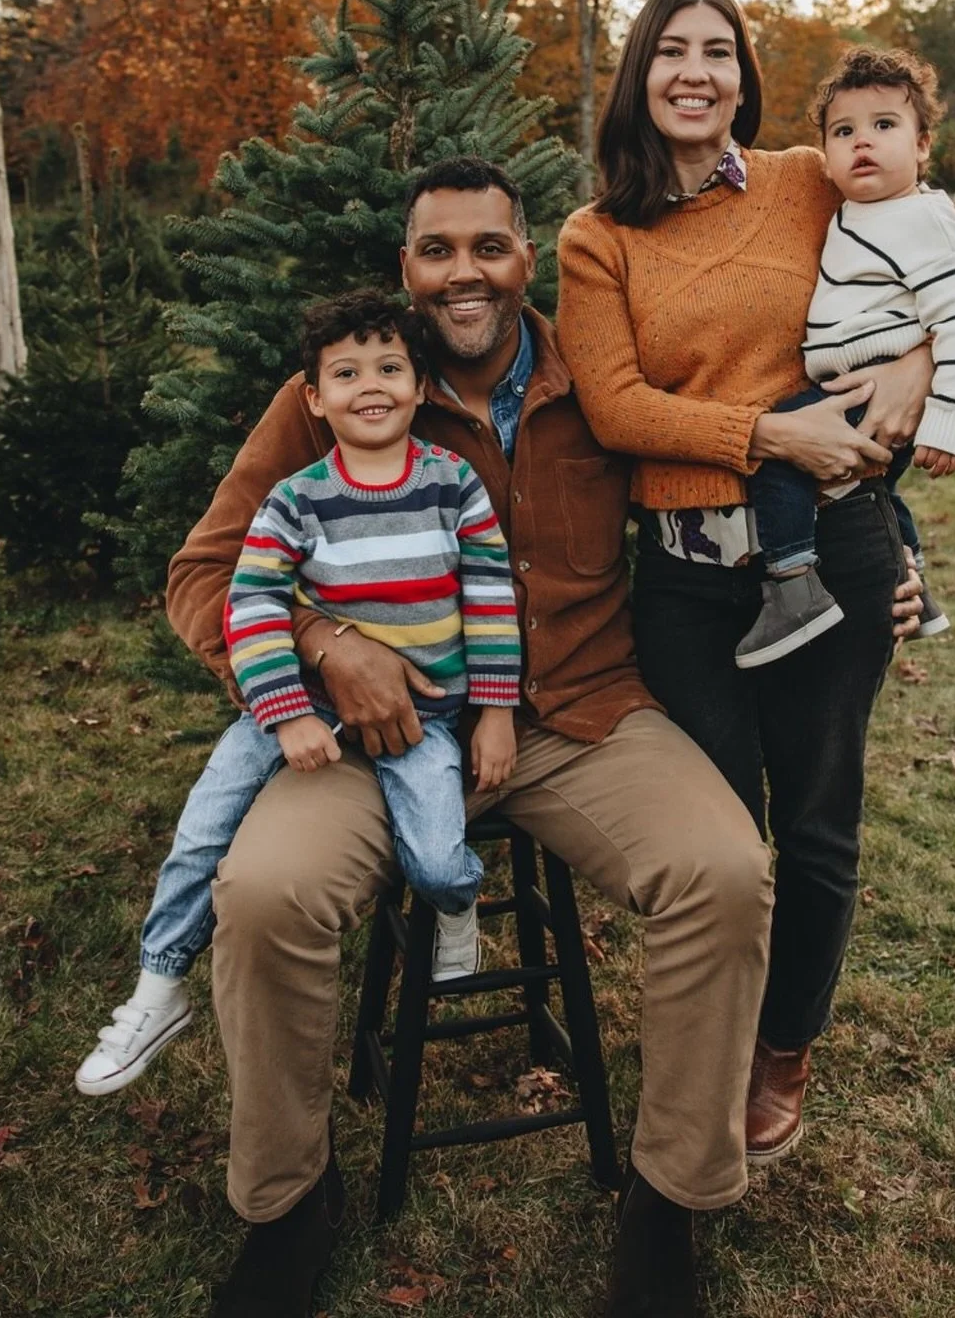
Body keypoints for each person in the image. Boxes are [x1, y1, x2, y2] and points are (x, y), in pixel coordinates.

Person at [162, 156, 781, 1318]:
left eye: (488, 247)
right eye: (437, 250)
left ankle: (668, 1206)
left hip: (581, 714)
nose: (465, 273)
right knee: (264, 893)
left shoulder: (597, 375)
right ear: (406, 266)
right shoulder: (341, 390)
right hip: (386, 733)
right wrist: (322, 647)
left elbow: (728, 472)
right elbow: (205, 573)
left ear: (526, 258)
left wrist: (874, 558)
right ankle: (288, 1203)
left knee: (725, 871)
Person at [556, 0, 931, 1171]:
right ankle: (711, 1037)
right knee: (719, 835)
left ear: (744, 78)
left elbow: (925, 262)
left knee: (817, 823)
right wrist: (768, 435)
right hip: (685, 582)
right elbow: (616, 409)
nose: (697, 72)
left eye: (719, 52)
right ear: (640, 75)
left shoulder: (808, 181)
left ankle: (783, 1047)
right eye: (672, 51)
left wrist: (921, 364)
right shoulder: (597, 237)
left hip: (836, 552)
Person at [74, 295, 521, 1103]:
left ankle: (458, 908)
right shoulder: (295, 499)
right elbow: (251, 605)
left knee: (435, 855)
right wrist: (287, 714)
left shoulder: (452, 486)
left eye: (390, 368)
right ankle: (158, 987)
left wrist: (494, 710)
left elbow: (491, 599)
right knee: (203, 832)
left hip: (425, 718)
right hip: (299, 705)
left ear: (421, 386)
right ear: (313, 398)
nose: (370, 386)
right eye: (346, 374)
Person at [734, 44, 955, 667]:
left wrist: (950, 419)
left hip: (868, 390)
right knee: (879, 496)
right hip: (856, 384)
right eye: (843, 132)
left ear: (923, 145)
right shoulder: (859, 212)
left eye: (884, 125)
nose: (862, 141)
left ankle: (793, 587)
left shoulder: (921, 218)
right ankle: (913, 581)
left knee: (782, 454)